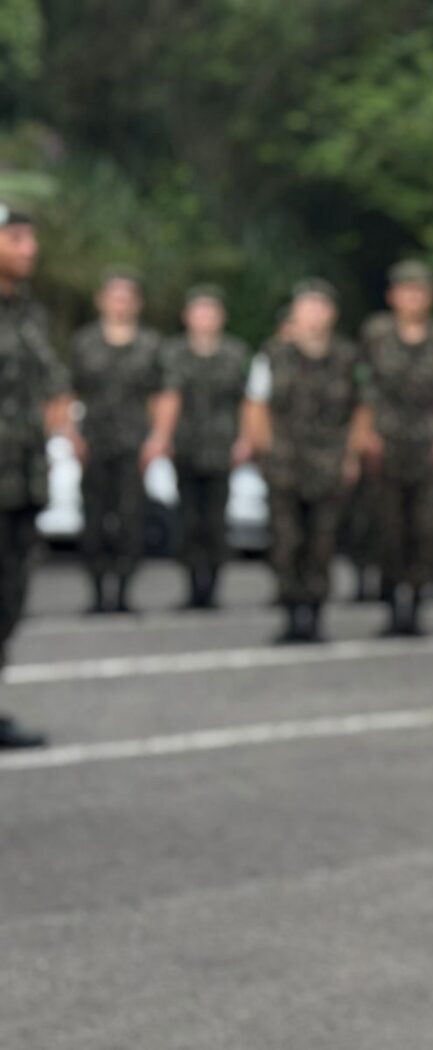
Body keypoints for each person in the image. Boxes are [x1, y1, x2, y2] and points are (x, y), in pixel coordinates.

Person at [237, 278, 367, 643]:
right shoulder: (273, 353)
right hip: (285, 462)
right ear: (294, 313)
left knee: (321, 543)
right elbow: (255, 403)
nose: (313, 314)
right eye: (306, 306)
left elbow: (362, 409)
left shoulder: (347, 357)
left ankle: (315, 614)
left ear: (332, 314)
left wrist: (352, 454)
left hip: (329, 462)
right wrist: (263, 447)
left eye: (320, 306)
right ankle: (291, 612)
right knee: (285, 540)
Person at [359, 260, 433, 637]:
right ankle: (392, 603)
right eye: (406, 290)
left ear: (430, 297)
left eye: (419, 291)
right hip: (387, 444)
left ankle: (418, 603)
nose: (412, 298)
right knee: (388, 529)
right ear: (393, 296)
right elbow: (364, 389)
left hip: (431, 445)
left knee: (428, 529)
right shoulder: (375, 335)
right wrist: (366, 433)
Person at [0, 204, 74, 749]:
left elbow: (53, 385)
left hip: (21, 482)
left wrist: (57, 432)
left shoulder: (28, 312)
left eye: (31, 238)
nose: (30, 247)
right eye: (17, 237)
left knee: (9, 599)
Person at [69, 269, 175, 614]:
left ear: (137, 304)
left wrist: (159, 436)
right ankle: (98, 592)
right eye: (114, 296)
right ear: (101, 301)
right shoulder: (83, 343)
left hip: (134, 445)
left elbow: (164, 394)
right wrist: (70, 434)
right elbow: (64, 392)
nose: (120, 303)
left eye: (126, 297)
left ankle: (124, 592)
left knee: (131, 519)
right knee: (94, 518)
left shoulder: (151, 345)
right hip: (93, 443)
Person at [161, 284, 251, 610]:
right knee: (187, 520)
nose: (205, 318)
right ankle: (191, 586)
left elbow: (247, 401)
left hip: (221, 447)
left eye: (211, 312)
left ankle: (212, 586)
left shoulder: (236, 353)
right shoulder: (172, 353)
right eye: (199, 311)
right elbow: (163, 399)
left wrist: (245, 438)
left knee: (215, 520)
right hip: (184, 446)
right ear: (187, 317)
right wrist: (163, 437)